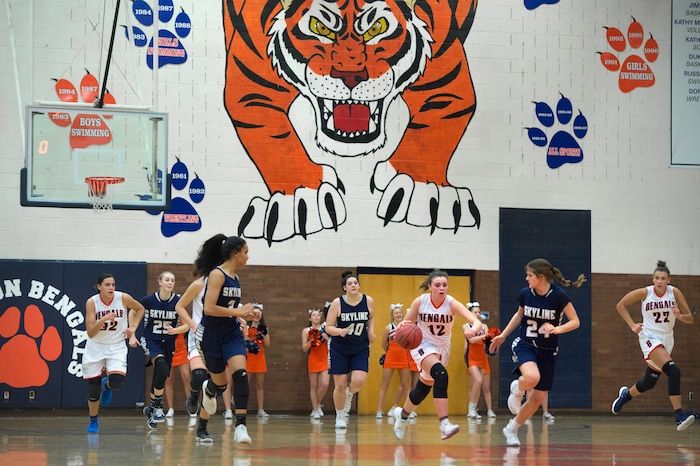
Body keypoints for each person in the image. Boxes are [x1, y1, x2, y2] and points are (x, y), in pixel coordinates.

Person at [489, 258, 585, 447]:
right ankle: (518, 388)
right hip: (526, 344)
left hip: (548, 350)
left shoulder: (559, 296)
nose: (526, 278)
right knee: (532, 377)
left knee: (538, 399)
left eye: (530, 275)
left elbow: (575, 321)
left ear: (541, 277)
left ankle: (512, 428)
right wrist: (503, 336)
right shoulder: (526, 294)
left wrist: (558, 329)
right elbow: (519, 315)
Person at [391, 269, 482, 441]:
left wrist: (473, 331)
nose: (442, 288)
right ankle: (444, 424)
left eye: (444, 285)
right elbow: (407, 322)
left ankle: (401, 416)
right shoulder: (421, 301)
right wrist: (400, 330)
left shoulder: (451, 303)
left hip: (442, 349)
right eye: (437, 285)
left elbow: (475, 321)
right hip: (422, 345)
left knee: (422, 389)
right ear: (430, 287)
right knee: (441, 374)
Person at [193, 234, 261, 444]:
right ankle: (203, 419)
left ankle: (240, 426)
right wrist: (238, 311)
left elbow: (231, 309)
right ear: (235, 253)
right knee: (219, 385)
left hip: (231, 333)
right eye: (246, 252)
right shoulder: (217, 274)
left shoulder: (236, 278)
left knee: (240, 374)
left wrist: (247, 314)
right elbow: (209, 308)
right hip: (211, 335)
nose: (248, 256)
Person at [611, 260, 695, 431]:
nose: (659, 281)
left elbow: (690, 318)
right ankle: (679, 416)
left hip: (666, 339)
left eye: (663, 278)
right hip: (649, 337)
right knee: (674, 371)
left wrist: (680, 316)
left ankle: (626, 395)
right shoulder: (645, 292)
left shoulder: (674, 292)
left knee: (649, 382)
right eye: (656, 278)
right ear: (653, 279)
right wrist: (632, 325)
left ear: (668, 280)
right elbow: (621, 305)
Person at [83, 273, 145, 433]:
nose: (111, 288)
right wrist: (103, 320)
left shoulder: (122, 298)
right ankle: (94, 420)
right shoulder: (92, 302)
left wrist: (133, 328)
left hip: (116, 345)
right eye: (107, 285)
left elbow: (140, 309)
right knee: (93, 389)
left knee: (117, 382)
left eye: (113, 284)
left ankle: (108, 385)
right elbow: (90, 333)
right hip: (96, 345)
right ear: (99, 287)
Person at [175, 266, 234, 424]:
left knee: (217, 385)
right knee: (199, 375)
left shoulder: (229, 285)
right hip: (200, 337)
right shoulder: (199, 284)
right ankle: (193, 393)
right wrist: (193, 325)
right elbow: (179, 307)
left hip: (220, 338)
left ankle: (202, 427)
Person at [324, 271, 376, 430]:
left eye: (355, 283)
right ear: (344, 288)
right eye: (350, 283)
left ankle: (349, 394)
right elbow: (328, 327)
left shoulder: (368, 301)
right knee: (339, 384)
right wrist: (339, 331)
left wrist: (370, 331)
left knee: (358, 381)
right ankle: (340, 416)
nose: (353, 285)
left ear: (359, 285)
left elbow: (371, 317)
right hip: (339, 348)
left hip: (360, 347)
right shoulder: (337, 303)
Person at [138, 271, 186, 429]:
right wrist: (132, 332)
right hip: (151, 339)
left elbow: (187, 324)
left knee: (162, 372)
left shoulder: (178, 302)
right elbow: (133, 311)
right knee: (162, 366)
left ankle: (151, 408)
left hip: (169, 342)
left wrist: (177, 330)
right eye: (167, 280)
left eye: (172, 280)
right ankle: (158, 407)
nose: (170, 282)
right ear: (159, 282)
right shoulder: (149, 300)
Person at [376, 303, 413, 419]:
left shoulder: (407, 327)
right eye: (396, 313)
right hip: (391, 358)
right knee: (384, 385)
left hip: (404, 358)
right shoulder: (388, 328)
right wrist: (390, 353)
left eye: (400, 313)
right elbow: (384, 344)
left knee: (406, 386)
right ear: (392, 316)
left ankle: (408, 411)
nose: (399, 315)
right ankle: (379, 410)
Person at [463, 302, 495, 420]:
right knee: (477, 380)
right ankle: (471, 408)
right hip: (472, 356)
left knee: (480, 383)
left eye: (479, 312)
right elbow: (472, 340)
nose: (478, 314)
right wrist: (484, 336)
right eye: (475, 312)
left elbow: (487, 339)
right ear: (469, 314)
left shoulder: (484, 326)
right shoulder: (466, 326)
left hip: (482, 356)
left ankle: (474, 409)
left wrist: (492, 338)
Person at [301, 306, 330, 419]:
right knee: (313, 385)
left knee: (325, 384)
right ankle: (315, 409)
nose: (316, 317)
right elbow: (304, 348)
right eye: (314, 315)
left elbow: (331, 342)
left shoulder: (325, 328)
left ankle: (317, 404)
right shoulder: (306, 331)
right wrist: (311, 340)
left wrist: (325, 337)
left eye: (318, 315)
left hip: (324, 358)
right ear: (310, 318)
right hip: (313, 359)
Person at [245, 306, 271, 417]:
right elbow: (243, 343)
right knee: (245, 384)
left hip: (260, 358)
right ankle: (242, 407)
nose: (256, 316)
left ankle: (260, 409)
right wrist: (249, 339)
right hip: (248, 358)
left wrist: (263, 334)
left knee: (260, 385)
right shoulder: (246, 327)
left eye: (258, 314)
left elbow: (268, 344)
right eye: (254, 314)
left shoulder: (264, 328)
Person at [164, 331, 192, 418]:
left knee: (187, 376)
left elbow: (186, 326)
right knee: (168, 379)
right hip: (168, 347)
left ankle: (191, 406)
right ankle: (170, 408)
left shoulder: (181, 316)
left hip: (181, 348)